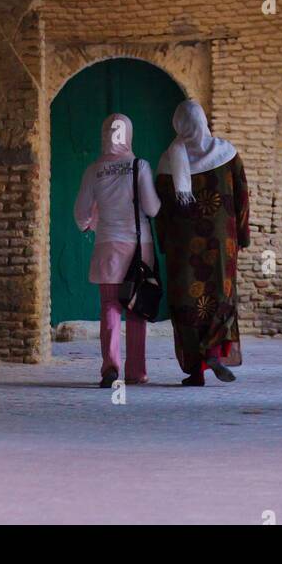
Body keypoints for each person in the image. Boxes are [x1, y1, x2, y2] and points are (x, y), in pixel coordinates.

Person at [155, 99, 250, 386]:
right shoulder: (227, 153)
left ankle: (196, 371)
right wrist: (242, 236)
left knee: (187, 303)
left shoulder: (168, 160)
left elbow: (162, 210)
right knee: (219, 298)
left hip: (183, 249)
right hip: (222, 244)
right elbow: (242, 196)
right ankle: (213, 351)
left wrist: (163, 244)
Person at [74, 112, 161, 388]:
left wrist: (90, 223)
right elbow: (152, 208)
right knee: (136, 308)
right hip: (139, 247)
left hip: (107, 246)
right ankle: (136, 372)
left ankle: (110, 369)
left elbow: (81, 214)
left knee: (110, 306)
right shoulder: (140, 166)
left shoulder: (93, 170)